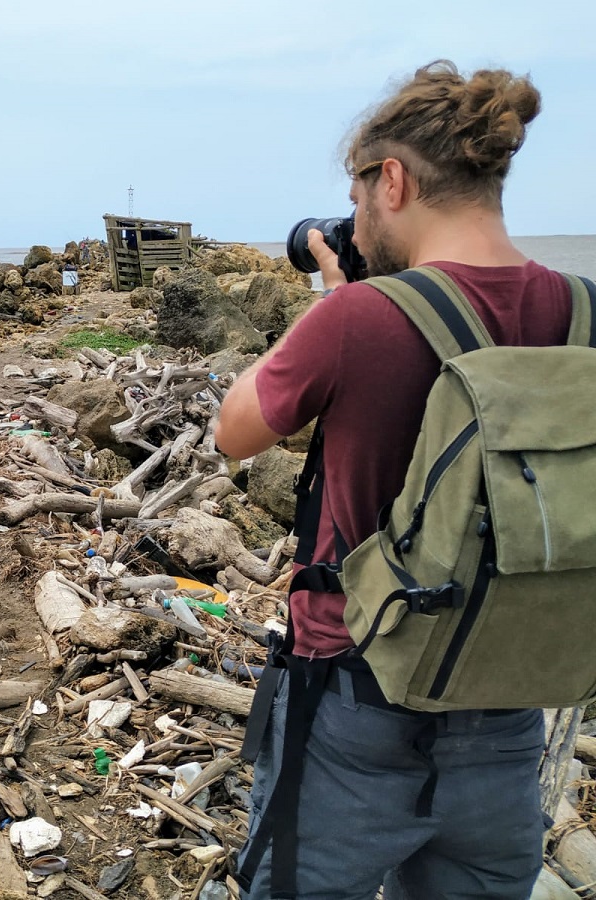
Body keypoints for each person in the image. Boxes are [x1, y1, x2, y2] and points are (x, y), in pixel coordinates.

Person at [215, 60, 569, 899]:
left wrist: (334, 297)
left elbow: (235, 431)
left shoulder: (358, 315)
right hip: (511, 684)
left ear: (395, 180)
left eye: (361, 192)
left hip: (356, 691)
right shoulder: (582, 311)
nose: (358, 216)